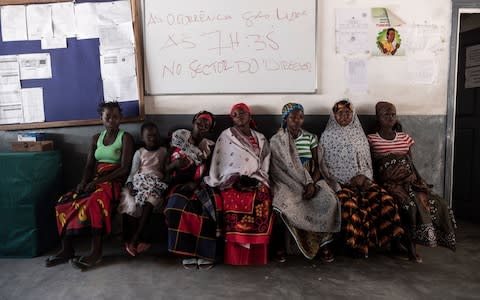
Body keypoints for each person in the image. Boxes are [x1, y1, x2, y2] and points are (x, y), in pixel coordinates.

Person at [46, 101, 134, 270]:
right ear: (101, 118)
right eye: (107, 116)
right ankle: (67, 249)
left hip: (113, 181)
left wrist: (97, 182)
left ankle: (96, 252)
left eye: (115, 116)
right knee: (63, 201)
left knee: (95, 201)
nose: (111, 119)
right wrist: (83, 183)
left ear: (120, 118)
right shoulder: (96, 138)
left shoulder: (125, 137)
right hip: (96, 179)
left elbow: (124, 169)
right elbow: (88, 166)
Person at [368, 101, 456, 262]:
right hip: (389, 184)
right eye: (386, 114)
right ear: (378, 117)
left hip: (409, 181)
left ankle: (417, 241)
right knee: (409, 205)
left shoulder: (404, 137)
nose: (390, 117)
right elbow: (372, 165)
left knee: (437, 202)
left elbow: (410, 162)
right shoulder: (371, 139)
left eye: (393, 114)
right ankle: (410, 248)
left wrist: (420, 180)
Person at [320, 99, 404, 258]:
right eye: (340, 113)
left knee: (385, 200)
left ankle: (388, 244)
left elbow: (367, 162)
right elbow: (326, 167)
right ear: (334, 116)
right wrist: (347, 181)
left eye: (348, 113)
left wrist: (365, 179)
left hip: (364, 182)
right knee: (350, 205)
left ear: (353, 115)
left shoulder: (359, 135)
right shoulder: (327, 136)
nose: (344, 116)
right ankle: (356, 246)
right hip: (342, 184)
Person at [269, 103, 341, 263]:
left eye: (300, 117)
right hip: (287, 180)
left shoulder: (310, 137)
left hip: (311, 178)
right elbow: (277, 169)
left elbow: (318, 164)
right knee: (283, 202)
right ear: (285, 119)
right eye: (293, 117)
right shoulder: (276, 140)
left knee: (328, 200)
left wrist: (312, 183)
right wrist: (296, 184)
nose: (297, 120)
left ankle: (324, 245)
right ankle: (280, 246)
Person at [204, 103, 274, 265]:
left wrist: (256, 177)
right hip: (231, 180)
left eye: (242, 113)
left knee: (262, 196)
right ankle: (237, 256)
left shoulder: (261, 137)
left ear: (250, 116)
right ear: (232, 119)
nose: (238, 116)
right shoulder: (226, 135)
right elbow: (221, 162)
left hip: (256, 177)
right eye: (234, 115)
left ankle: (255, 255)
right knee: (235, 197)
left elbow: (265, 162)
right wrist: (236, 177)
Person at [164, 111, 217, 270]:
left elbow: (210, 171)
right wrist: (175, 165)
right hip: (177, 185)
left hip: (200, 185)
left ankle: (204, 254)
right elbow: (165, 169)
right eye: (200, 122)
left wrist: (196, 184)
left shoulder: (209, 147)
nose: (202, 126)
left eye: (206, 125)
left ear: (210, 129)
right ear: (193, 122)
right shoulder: (178, 139)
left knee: (204, 209)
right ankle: (186, 253)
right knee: (175, 208)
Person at [118, 121, 169, 257]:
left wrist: (163, 182)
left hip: (156, 182)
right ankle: (137, 239)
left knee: (150, 199)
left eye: (155, 135)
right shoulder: (139, 152)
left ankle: (137, 237)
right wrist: (130, 185)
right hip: (139, 181)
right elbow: (133, 172)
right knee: (129, 199)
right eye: (149, 136)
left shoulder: (163, 151)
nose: (152, 138)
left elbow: (166, 171)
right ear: (142, 138)